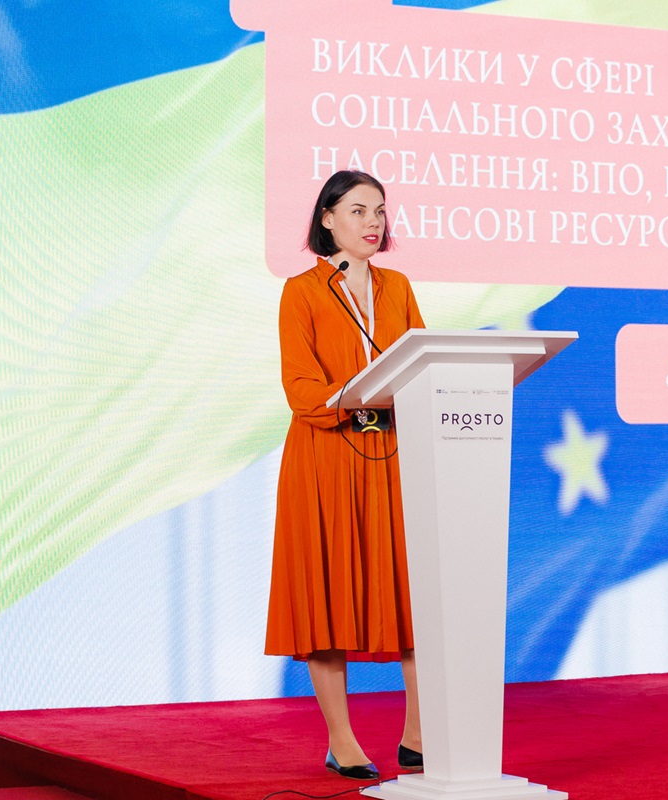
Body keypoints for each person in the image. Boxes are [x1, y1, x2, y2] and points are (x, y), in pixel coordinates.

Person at [265, 170, 425, 781]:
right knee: (328, 595)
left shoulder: (398, 286)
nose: (373, 221)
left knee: (412, 593)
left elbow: (423, 363)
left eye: (379, 210)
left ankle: (418, 735)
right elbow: (303, 392)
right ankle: (342, 741)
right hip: (326, 459)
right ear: (327, 219)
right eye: (358, 210)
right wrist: (364, 398)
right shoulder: (302, 292)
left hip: (392, 455)